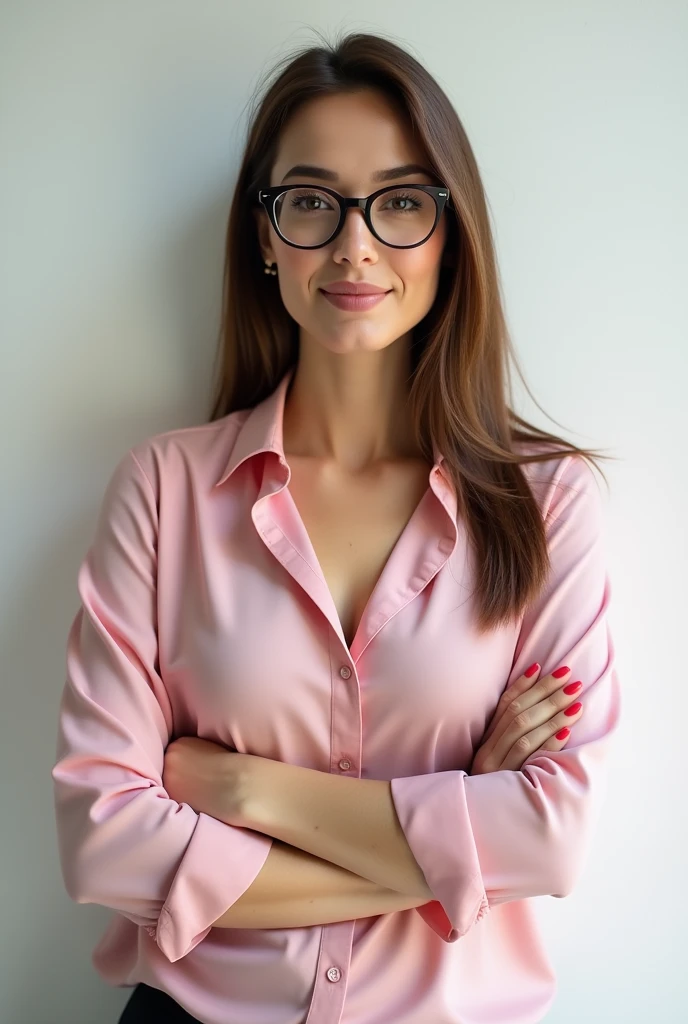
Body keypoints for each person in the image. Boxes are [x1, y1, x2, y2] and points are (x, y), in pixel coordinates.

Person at [51, 29, 622, 1024]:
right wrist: (456, 820)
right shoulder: (163, 488)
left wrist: (240, 788)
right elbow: (105, 843)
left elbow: (551, 839)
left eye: (400, 201)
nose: (355, 244)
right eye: (313, 201)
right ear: (264, 235)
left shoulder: (548, 503)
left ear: (450, 232)